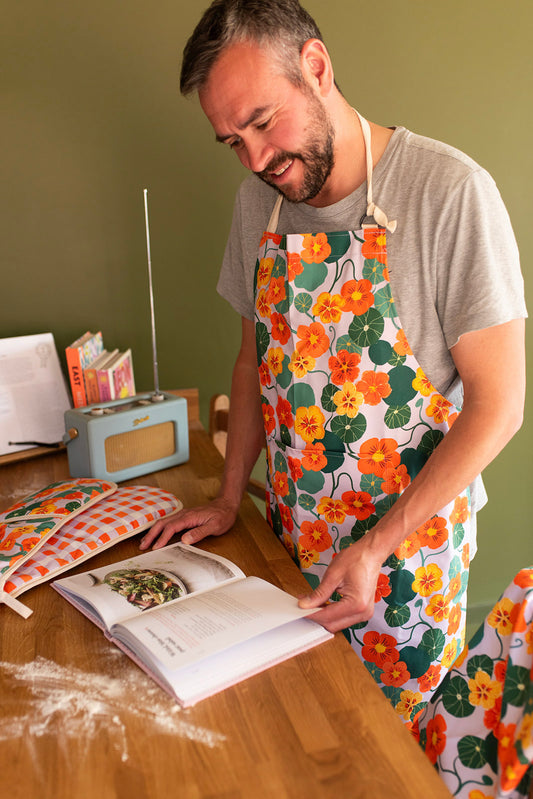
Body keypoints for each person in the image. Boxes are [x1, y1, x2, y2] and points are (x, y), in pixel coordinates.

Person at [141, 0, 527, 723]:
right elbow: (253, 358)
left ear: (315, 67)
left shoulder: (449, 194)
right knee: (307, 732)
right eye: (232, 141)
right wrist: (230, 496)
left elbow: (498, 406)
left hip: (406, 563)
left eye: (261, 122)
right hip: (292, 545)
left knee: (393, 748)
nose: (255, 159)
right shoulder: (258, 207)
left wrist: (377, 546)